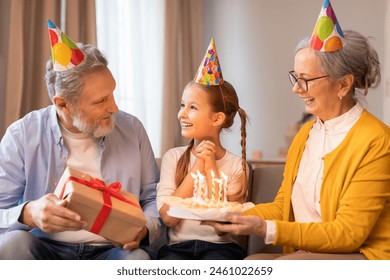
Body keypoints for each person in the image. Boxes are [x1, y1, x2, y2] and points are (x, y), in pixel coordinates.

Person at [205, 2, 390, 260]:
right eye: (295, 77)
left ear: (344, 84)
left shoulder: (377, 140)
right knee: (250, 263)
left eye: (306, 80)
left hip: (361, 255)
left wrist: (266, 229)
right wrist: (232, 215)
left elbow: (348, 233)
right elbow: (284, 206)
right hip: (309, 253)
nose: (296, 89)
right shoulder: (305, 135)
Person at [0, 20, 161, 260]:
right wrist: (28, 212)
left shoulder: (132, 129)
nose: (114, 107)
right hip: (43, 247)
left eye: (112, 93)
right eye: (100, 101)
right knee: (13, 245)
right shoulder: (22, 134)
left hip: (112, 251)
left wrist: (146, 228)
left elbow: (152, 197)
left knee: (138, 260)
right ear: (62, 104)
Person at [156, 39, 249, 260]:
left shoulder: (237, 166)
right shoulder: (173, 157)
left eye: (193, 107)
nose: (182, 114)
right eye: (182, 105)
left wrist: (211, 168)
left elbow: (224, 225)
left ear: (217, 118)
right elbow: (168, 218)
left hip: (221, 248)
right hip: (177, 248)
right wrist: (198, 167)